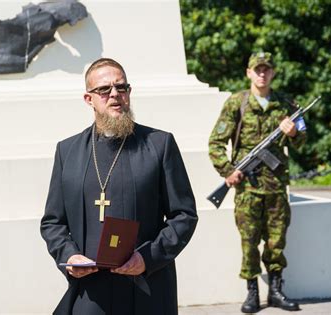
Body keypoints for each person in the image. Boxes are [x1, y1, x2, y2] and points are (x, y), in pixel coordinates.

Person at [40, 57, 198, 315]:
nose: (114, 94)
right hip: (90, 291)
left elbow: (184, 216)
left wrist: (147, 258)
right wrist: (69, 257)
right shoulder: (67, 152)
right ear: (88, 99)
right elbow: (52, 222)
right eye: (104, 89)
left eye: (121, 87)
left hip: (146, 286)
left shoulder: (159, 144)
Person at [209, 52, 306, 313]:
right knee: (249, 243)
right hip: (247, 189)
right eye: (257, 69)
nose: (262, 73)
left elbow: (303, 141)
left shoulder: (287, 104)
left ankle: (276, 291)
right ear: (249, 73)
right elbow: (216, 143)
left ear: (272, 72)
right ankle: (252, 293)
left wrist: (294, 132)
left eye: (267, 69)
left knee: (276, 242)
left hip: (275, 187)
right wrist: (228, 170)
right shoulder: (236, 103)